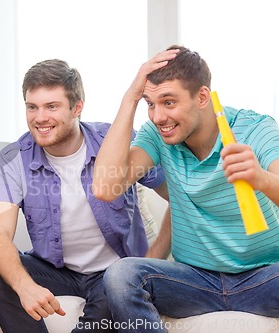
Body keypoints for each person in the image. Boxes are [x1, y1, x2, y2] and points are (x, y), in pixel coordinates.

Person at [93, 45, 279, 333]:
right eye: (149, 104)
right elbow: (105, 187)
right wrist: (130, 98)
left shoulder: (254, 128)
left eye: (169, 102)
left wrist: (261, 178)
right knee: (121, 275)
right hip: (193, 282)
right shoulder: (156, 135)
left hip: (263, 278)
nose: (157, 117)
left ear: (202, 97)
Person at [0, 59, 169, 333]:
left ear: (77, 107)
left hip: (114, 272)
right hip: (55, 269)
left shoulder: (117, 141)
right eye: (32, 107)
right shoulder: (14, 159)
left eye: (51, 106)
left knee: (116, 288)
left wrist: (151, 262)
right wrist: (25, 287)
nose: (39, 118)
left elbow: (178, 197)